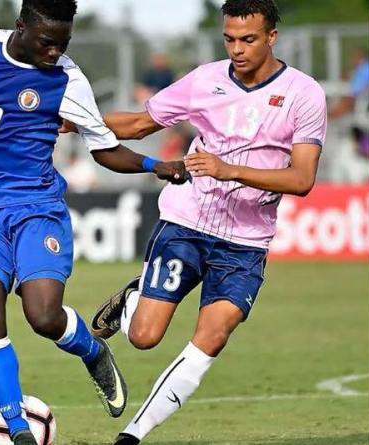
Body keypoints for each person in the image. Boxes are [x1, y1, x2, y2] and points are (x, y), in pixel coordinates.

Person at [0, 1, 187, 443]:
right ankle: (20, 430)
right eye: (47, 42)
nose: (54, 52)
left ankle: (92, 351)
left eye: (63, 43)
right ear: (21, 26)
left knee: (43, 316)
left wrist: (152, 165)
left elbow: (101, 148)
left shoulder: (69, 78)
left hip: (36, 209)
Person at [86, 1, 327, 443]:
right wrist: (76, 120)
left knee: (213, 337)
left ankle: (132, 435)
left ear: (272, 37)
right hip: (187, 221)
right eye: (229, 39)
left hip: (246, 242)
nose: (237, 48)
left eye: (248, 39)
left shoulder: (304, 93)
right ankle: (134, 297)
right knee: (143, 337)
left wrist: (229, 169)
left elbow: (302, 178)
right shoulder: (205, 80)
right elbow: (141, 123)